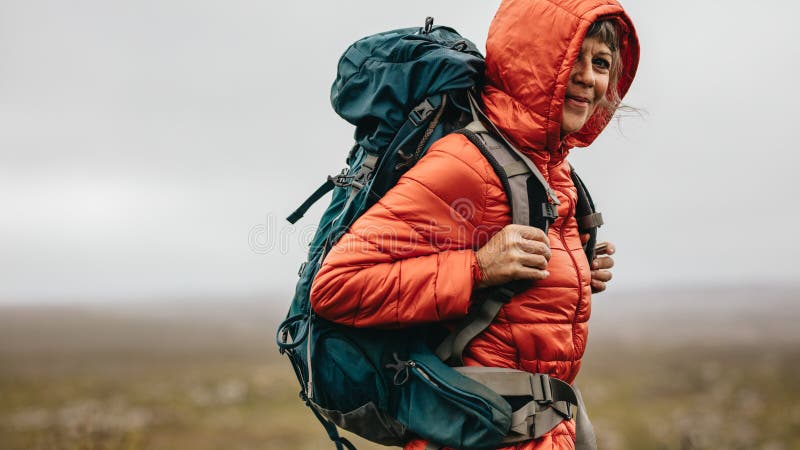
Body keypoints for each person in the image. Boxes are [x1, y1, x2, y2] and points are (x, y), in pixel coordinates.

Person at [310, 0, 639, 448]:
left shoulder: (553, 173)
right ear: (535, 61)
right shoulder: (466, 164)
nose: (588, 77)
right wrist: (478, 268)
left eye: (601, 63)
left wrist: (576, 269)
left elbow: (513, 314)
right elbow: (337, 285)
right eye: (571, 58)